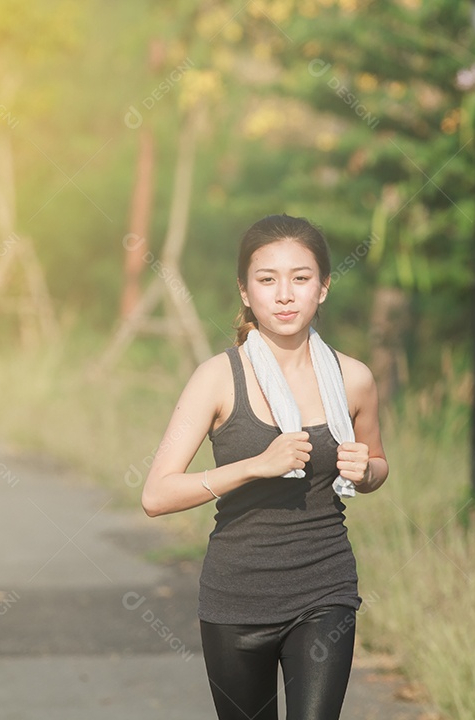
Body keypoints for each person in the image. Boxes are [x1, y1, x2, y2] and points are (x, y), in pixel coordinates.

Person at [141, 213, 389, 720]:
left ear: (322, 288)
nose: (284, 295)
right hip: (236, 600)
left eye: (300, 278)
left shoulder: (354, 380)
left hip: (326, 590)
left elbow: (377, 466)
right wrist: (256, 466)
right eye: (267, 280)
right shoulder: (217, 378)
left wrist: (366, 474)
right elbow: (156, 495)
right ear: (245, 291)